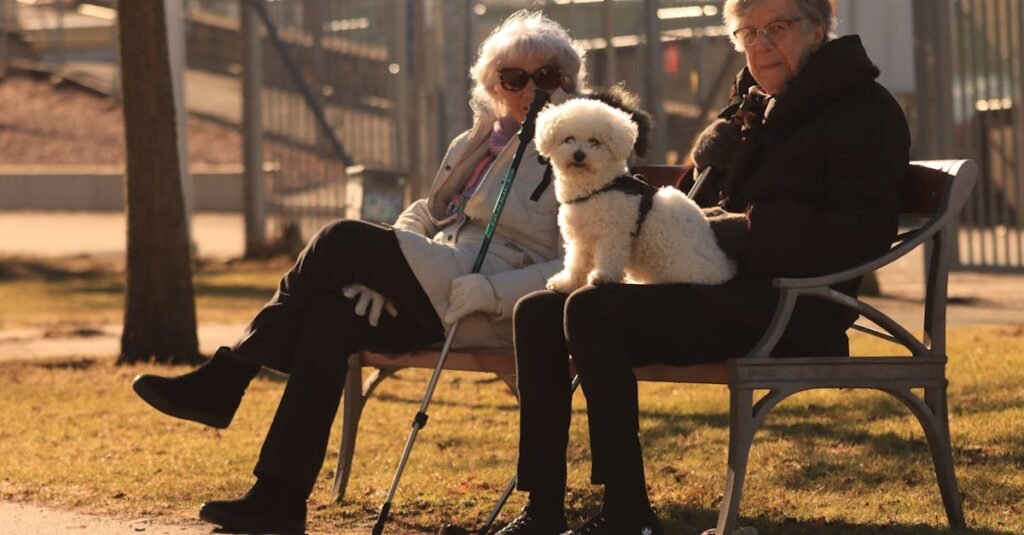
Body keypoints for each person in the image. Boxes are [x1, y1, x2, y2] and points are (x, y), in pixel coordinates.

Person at [131, 11, 593, 534]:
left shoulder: (577, 150)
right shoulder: (477, 142)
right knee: (331, 316)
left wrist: (490, 290)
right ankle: (277, 500)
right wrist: (383, 274)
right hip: (437, 279)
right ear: (494, 85)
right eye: (516, 78)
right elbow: (428, 213)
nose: (531, 89)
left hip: (487, 306)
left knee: (340, 238)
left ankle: (227, 379)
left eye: (547, 77)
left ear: (568, 83)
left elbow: (577, 264)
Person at [498, 0, 911, 533]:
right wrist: (707, 158)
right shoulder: (753, 104)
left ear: (818, 28)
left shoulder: (864, 109)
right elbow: (691, 207)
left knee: (594, 308)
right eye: (748, 32)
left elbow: (862, 232)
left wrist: (747, 228)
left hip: (789, 304)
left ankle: (627, 513)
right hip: (713, 289)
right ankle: (543, 510)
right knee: (536, 313)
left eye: (777, 29)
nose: (760, 45)